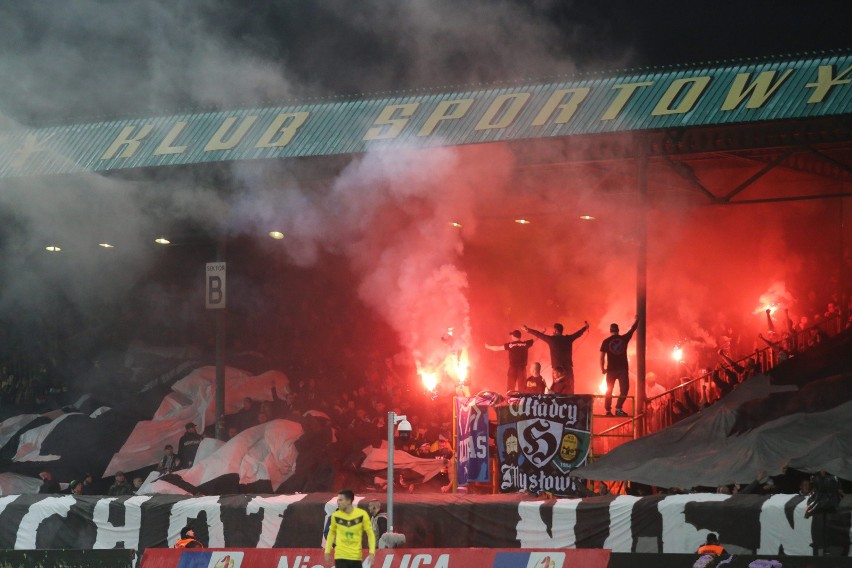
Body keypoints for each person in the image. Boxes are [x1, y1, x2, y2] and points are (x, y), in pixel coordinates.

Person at [523, 321, 589, 393]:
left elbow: (539, 335)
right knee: (570, 386)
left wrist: (528, 330)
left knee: (557, 388)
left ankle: (557, 402)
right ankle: (571, 402)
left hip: (557, 368)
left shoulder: (552, 339)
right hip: (567, 367)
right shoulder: (568, 339)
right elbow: (578, 333)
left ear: (555, 330)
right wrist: (585, 327)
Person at [324, 489, 376, 568]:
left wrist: (372, 553)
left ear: (348, 501)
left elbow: (370, 534)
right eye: (338, 500)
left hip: (356, 557)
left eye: (341, 500)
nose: (338, 502)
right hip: (340, 556)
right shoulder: (335, 516)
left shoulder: (362, 514)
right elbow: (330, 533)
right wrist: (327, 551)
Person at [600, 316, 639, 417]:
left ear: (610, 331)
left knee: (609, 390)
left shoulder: (606, 341)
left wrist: (602, 369)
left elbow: (601, 357)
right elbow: (632, 329)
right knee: (624, 389)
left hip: (611, 370)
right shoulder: (624, 338)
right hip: (622, 369)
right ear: (618, 330)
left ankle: (608, 411)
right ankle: (618, 408)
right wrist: (637, 320)